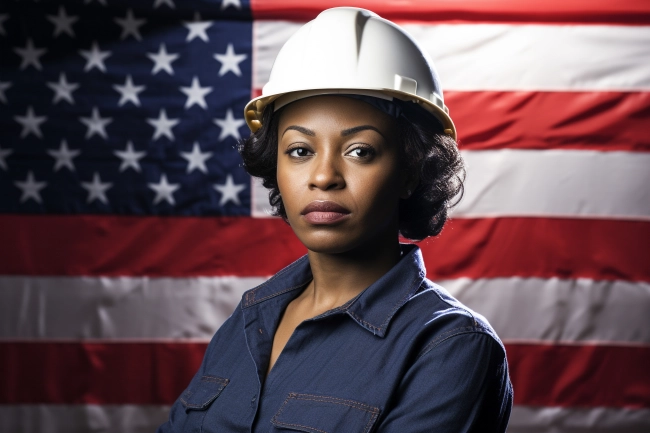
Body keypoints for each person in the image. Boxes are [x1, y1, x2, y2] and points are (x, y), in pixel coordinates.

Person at [158, 7, 512, 433]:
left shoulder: (451, 346)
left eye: (360, 150)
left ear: (411, 171)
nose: (324, 176)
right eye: (300, 151)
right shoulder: (249, 320)